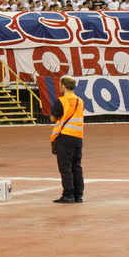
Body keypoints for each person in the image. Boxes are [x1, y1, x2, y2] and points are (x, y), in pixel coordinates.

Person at [50, 75, 85, 203]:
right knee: (76, 166)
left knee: (65, 167)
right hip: (78, 137)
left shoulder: (61, 101)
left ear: (64, 86)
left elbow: (53, 118)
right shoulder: (80, 101)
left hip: (65, 136)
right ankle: (78, 195)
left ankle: (68, 194)